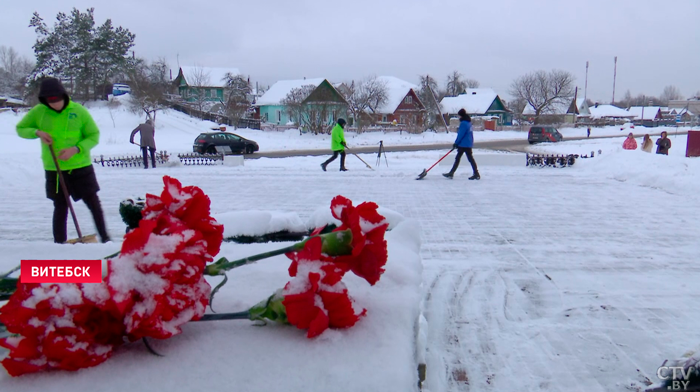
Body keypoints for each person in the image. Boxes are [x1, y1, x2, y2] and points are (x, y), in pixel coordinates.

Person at [15, 77, 110, 243]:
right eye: (49, 101)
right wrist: (37, 132)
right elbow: (21, 129)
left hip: (80, 166)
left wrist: (76, 149)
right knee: (60, 207)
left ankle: (106, 239)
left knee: (94, 204)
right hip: (54, 168)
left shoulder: (78, 111)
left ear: (64, 96)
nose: (54, 104)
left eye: (57, 99)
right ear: (44, 100)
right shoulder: (39, 112)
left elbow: (93, 135)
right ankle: (59, 245)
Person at [443, 109, 479, 180]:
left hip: (463, 144)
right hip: (467, 143)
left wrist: (456, 143)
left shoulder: (463, 123)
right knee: (467, 159)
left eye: (459, 115)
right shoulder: (468, 123)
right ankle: (452, 173)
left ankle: (476, 174)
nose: (458, 117)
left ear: (461, 115)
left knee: (460, 158)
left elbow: (460, 134)